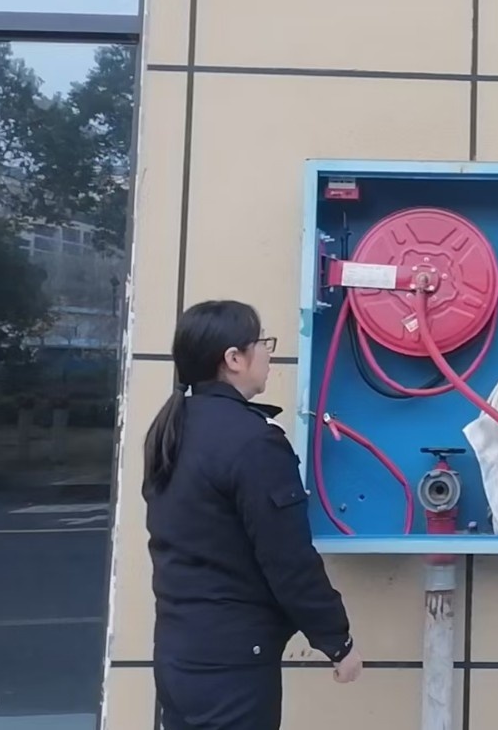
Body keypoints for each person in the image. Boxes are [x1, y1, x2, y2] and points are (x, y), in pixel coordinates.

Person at [144, 300, 362, 730]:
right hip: (232, 664)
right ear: (233, 358)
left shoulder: (173, 428)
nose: (268, 354)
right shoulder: (253, 442)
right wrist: (337, 641)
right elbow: (288, 558)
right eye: (262, 343)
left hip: (178, 650)